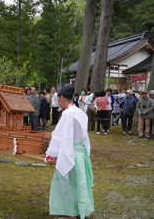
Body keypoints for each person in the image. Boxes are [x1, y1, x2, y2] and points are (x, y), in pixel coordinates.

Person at [45, 84, 94, 219]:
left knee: (67, 183)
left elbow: (60, 137)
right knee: (80, 182)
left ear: (61, 97)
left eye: (58, 98)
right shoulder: (80, 112)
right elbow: (84, 136)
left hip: (70, 152)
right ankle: (82, 209)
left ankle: (69, 213)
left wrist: (52, 155)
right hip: (81, 152)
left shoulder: (67, 114)